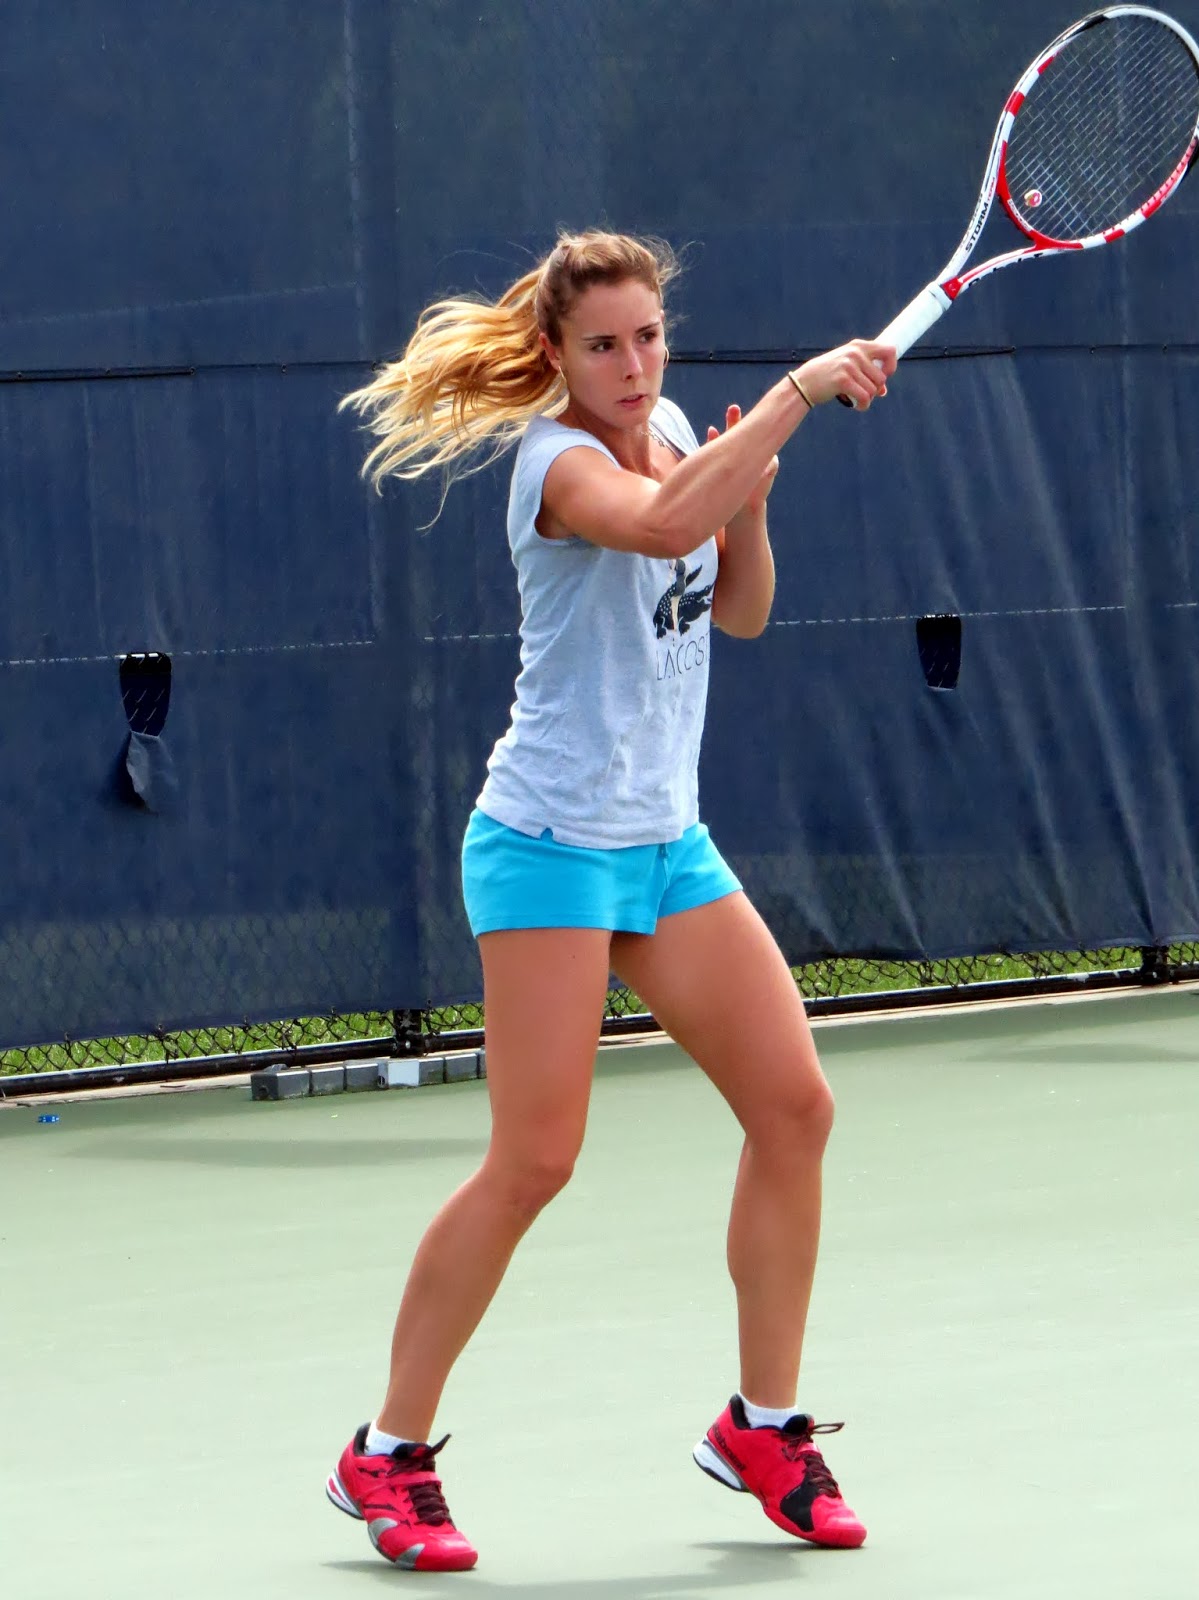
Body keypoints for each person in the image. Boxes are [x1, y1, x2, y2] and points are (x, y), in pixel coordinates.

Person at [325, 230, 897, 1573]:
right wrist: (796, 403)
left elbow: (739, 608)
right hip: (546, 846)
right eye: (603, 345)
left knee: (796, 1108)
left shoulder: (684, 430)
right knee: (535, 1161)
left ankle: (764, 1427)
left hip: (663, 845)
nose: (634, 365)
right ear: (556, 356)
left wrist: (747, 485)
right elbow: (653, 526)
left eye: (648, 336)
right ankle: (385, 1455)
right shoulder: (553, 465)